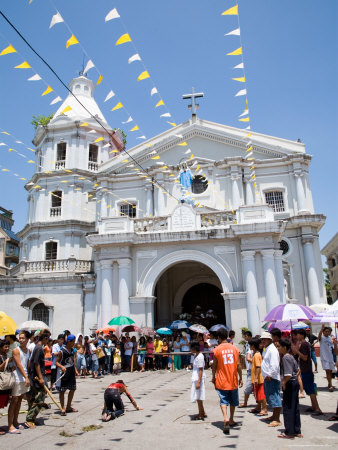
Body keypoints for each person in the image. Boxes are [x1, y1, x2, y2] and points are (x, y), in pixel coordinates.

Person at [212, 328, 243, 435]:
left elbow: (214, 365)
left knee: (223, 401)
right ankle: (231, 418)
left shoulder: (217, 349)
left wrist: (213, 377)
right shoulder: (234, 348)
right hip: (233, 379)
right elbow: (239, 365)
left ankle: (225, 417)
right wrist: (241, 378)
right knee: (233, 401)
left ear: (219, 338)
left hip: (221, 380)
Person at [292, 329, 322, 415]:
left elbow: (304, 357)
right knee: (308, 389)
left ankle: (317, 408)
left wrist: (297, 351)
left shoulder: (305, 344)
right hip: (304, 369)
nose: (296, 336)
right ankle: (313, 406)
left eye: (297, 334)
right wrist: (296, 346)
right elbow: (294, 353)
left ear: (301, 335)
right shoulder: (302, 343)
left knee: (310, 389)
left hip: (307, 370)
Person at [278, 338, 302, 439]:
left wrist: (284, 382)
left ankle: (289, 432)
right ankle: (297, 430)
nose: (278, 348)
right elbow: (298, 370)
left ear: (284, 347)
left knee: (288, 407)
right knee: (295, 406)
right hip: (294, 382)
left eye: (279, 346)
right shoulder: (292, 357)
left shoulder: (286, 358)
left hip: (290, 383)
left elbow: (287, 374)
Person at [8, 331, 31, 434]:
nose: (21, 340)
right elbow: (19, 364)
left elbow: (27, 364)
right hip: (17, 378)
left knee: (20, 400)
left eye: (23, 338)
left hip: (24, 378)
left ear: (27, 339)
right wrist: (26, 377)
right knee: (14, 400)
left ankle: (16, 421)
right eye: (20, 338)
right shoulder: (16, 350)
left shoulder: (28, 350)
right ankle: (10, 425)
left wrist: (28, 376)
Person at [25, 333, 49, 428]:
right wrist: (41, 377)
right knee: (39, 399)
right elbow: (36, 363)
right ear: (44, 339)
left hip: (35, 377)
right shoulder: (39, 348)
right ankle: (29, 419)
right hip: (36, 378)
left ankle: (32, 418)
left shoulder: (38, 347)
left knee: (33, 399)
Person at [261, 331, 282, 427]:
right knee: (270, 397)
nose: (263, 341)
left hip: (271, 377)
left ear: (270, 339)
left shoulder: (272, 350)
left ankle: (277, 419)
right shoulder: (267, 349)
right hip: (267, 377)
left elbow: (274, 365)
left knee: (275, 398)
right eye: (262, 339)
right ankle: (274, 416)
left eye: (265, 339)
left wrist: (270, 375)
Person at [55, 334, 79, 416]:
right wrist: (62, 367)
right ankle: (63, 407)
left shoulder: (72, 350)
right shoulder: (62, 351)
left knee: (72, 389)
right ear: (69, 341)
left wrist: (75, 369)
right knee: (62, 391)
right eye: (73, 341)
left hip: (71, 371)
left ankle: (69, 406)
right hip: (64, 373)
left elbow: (73, 361)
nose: (74, 343)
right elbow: (56, 362)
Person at [248, 338, 267, 415]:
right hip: (256, 378)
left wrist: (256, 378)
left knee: (261, 394)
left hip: (259, 378)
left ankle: (264, 409)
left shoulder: (256, 355)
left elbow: (258, 367)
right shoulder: (257, 354)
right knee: (257, 394)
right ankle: (259, 407)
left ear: (252, 346)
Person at [190, 341, 207, 420]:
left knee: (199, 397)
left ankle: (201, 414)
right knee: (197, 396)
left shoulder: (200, 356)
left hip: (198, 378)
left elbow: (201, 369)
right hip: (195, 377)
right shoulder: (195, 355)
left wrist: (199, 381)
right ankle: (203, 411)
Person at [318, 325, 335, 391]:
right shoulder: (322, 338)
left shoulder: (330, 338)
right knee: (327, 371)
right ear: (323, 332)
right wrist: (321, 329)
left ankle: (329, 382)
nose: (327, 333)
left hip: (330, 357)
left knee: (330, 371)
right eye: (326, 331)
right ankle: (330, 385)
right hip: (324, 357)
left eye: (328, 331)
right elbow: (319, 336)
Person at [0, 339, 12, 435]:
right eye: (5, 347)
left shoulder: (6, 356)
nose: (7, 348)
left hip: (4, 385)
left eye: (8, 346)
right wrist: (5, 363)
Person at [239, 330, 253, 408]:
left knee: (248, 386)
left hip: (251, 367)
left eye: (246, 336)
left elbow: (249, 357)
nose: (245, 337)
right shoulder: (247, 344)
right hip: (248, 367)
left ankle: (245, 402)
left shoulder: (252, 344)